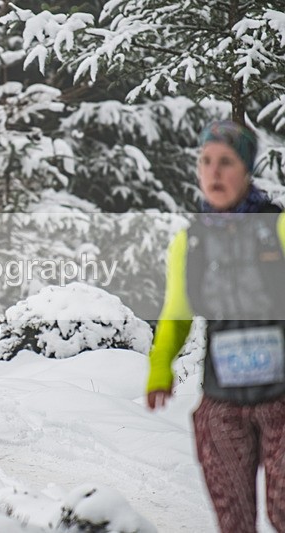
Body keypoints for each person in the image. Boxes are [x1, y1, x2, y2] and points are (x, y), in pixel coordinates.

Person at [146, 120, 285, 533]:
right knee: (233, 522)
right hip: (222, 404)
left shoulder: (278, 229)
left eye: (226, 162)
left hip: (281, 400)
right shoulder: (189, 242)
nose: (214, 172)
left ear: (247, 169)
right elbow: (176, 313)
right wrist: (160, 367)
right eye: (205, 162)